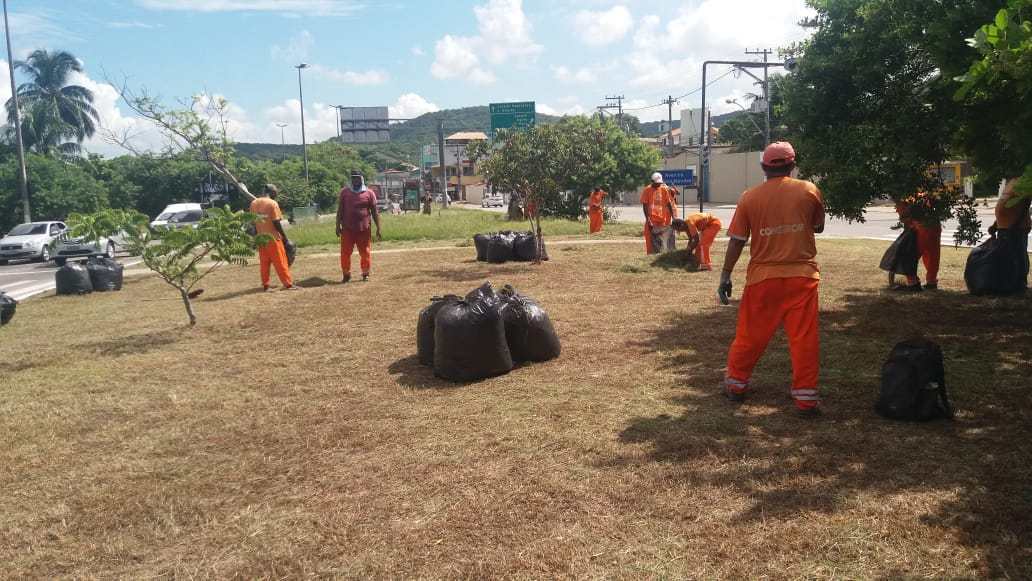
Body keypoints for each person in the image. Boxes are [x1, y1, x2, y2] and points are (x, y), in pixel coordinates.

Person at [719, 141, 826, 416]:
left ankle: (736, 385)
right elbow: (818, 226)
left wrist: (725, 275)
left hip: (762, 279)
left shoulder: (749, 197)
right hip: (802, 276)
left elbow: (737, 241)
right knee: (803, 339)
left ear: (764, 167)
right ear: (792, 165)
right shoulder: (809, 191)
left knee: (750, 335)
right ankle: (806, 399)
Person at [249, 184, 298, 291]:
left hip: (261, 238)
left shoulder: (254, 203)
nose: (276, 194)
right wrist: (285, 238)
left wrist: (255, 238)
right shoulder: (272, 203)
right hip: (273, 238)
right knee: (281, 262)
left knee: (264, 263)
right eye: (276, 192)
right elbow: (276, 222)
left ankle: (266, 286)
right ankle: (288, 284)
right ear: (271, 192)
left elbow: (253, 223)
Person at [336, 171, 382, 283]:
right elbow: (340, 211)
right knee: (345, 253)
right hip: (347, 229)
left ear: (362, 179)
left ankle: (365, 273)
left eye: (357, 178)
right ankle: (346, 274)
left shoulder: (369, 193)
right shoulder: (344, 192)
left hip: (364, 229)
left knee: (365, 252)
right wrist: (337, 226)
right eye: (353, 178)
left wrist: (378, 228)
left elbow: (374, 212)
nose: (355, 180)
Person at [893, 191, 941, 291]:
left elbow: (904, 217)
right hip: (935, 226)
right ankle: (931, 282)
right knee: (932, 255)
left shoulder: (906, 197)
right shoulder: (923, 195)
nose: (896, 210)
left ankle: (913, 283)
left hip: (922, 228)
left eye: (896, 208)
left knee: (910, 255)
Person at [990, 177, 1032, 286]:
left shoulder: (1022, 181)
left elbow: (1026, 204)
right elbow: (1005, 205)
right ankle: (1009, 281)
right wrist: (995, 225)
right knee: (1007, 255)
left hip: (1017, 228)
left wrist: (1015, 225)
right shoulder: (1010, 182)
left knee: (1019, 255)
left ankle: (1020, 283)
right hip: (1004, 227)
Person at [641, 172, 678, 254]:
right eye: (657, 183)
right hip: (652, 221)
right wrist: (648, 220)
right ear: (652, 181)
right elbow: (645, 206)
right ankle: (651, 257)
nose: (658, 185)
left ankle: (663, 257)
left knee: (665, 241)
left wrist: (673, 217)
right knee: (650, 242)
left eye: (659, 183)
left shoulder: (664, 189)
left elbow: (668, 204)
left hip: (662, 221)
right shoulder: (647, 190)